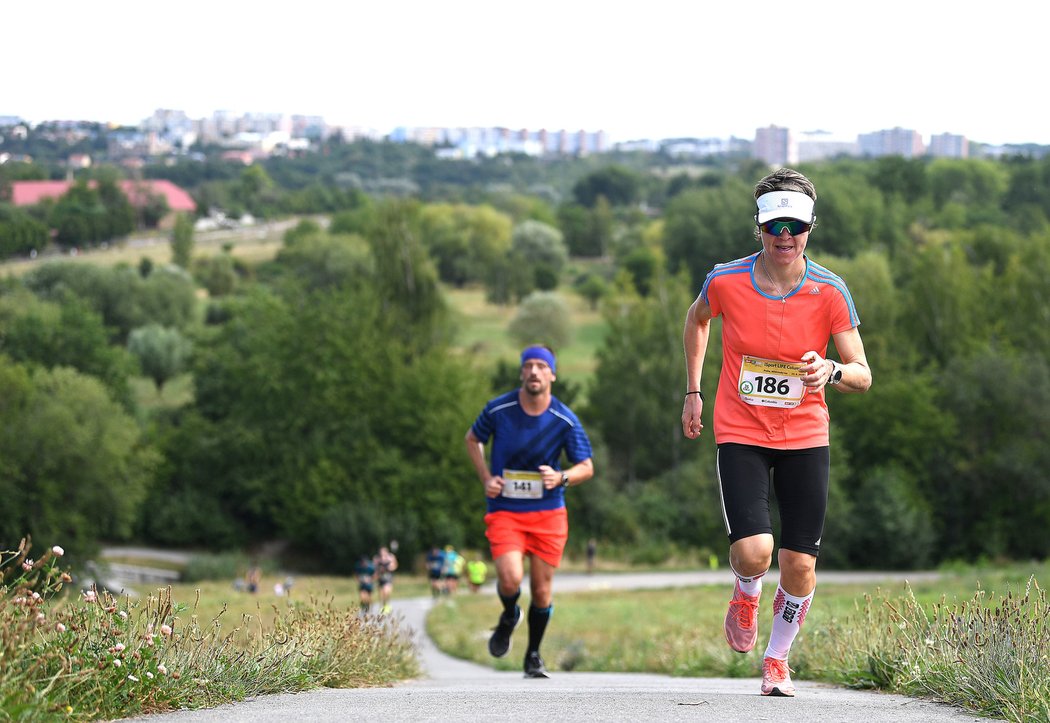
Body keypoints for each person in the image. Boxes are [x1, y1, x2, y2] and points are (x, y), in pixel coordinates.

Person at [681, 168, 872, 698]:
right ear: (758, 228)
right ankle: (745, 592)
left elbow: (863, 373)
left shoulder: (830, 291)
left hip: (805, 433)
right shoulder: (725, 280)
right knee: (754, 552)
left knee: (800, 564)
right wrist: (693, 390)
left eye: (795, 226)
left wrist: (831, 370)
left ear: (811, 227)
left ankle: (777, 660)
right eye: (774, 226)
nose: (784, 236)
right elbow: (697, 320)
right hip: (740, 426)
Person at [465, 344, 595, 678]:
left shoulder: (564, 419)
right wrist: (486, 478)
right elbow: (472, 439)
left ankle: (533, 655)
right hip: (505, 509)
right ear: (522, 372)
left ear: (552, 374)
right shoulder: (499, 409)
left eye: (541, 366)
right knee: (509, 579)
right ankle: (509, 614)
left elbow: (586, 466)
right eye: (529, 366)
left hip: (548, 513)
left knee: (540, 590)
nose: (534, 371)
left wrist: (562, 476)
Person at [374, 545, 398, 614]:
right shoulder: (377, 559)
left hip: (388, 577)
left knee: (387, 592)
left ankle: (387, 605)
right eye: (381, 552)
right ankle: (383, 606)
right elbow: (375, 568)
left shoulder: (391, 557)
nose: (382, 554)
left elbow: (395, 565)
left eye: (383, 552)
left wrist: (390, 568)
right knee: (381, 594)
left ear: (386, 552)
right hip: (380, 578)